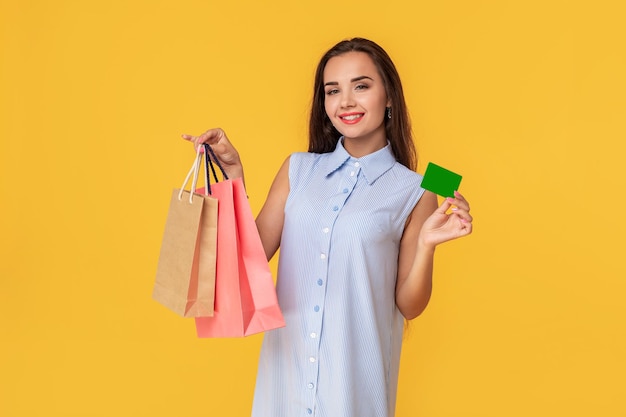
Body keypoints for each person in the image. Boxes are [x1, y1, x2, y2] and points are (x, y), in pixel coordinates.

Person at [183, 38, 473, 417]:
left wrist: (427, 246)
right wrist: (232, 177)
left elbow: (409, 305)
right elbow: (246, 263)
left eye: (361, 86)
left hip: (354, 388)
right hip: (283, 382)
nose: (345, 102)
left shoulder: (415, 190)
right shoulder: (297, 170)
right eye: (332, 90)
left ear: (389, 97)